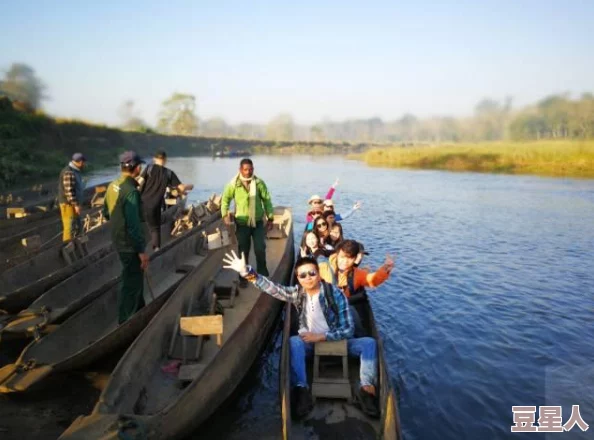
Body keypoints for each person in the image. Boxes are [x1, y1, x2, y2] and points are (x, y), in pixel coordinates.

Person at [222, 252, 380, 418]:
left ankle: (367, 390)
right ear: (298, 278)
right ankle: (301, 390)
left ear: (319, 275)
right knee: (294, 342)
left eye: (312, 273)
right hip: (309, 344)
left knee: (369, 343)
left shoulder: (335, 294)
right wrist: (247, 272)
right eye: (303, 275)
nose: (308, 278)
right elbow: (273, 288)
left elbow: (348, 329)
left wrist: (321, 337)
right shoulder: (298, 294)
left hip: (337, 341)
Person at [102, 151, 149, 324]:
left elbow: (106, 212)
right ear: (136, 168)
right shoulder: (131, 192)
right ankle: (125, 321)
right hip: (130, 245)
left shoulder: (113, 185)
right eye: (140, 166)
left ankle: (141, 312)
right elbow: (134, 225)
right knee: (132, 283)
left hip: (118, 239)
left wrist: (117, 224)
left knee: (134, 279)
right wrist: (141, 251)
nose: (141, 168)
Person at [221, 158, 274, 283]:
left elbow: (267, 200)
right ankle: (244, 277)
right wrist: (224, 215)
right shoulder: (233, 184)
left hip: (258, 222)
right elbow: (225, 200)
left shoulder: (259, 183)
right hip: (242, 223)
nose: (248, 172)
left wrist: (270, 217)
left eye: (250, 169)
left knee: (260, 248)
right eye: (245, 170)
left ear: (253, 169)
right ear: (240, 170)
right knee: (243, 250)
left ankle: (262, 274)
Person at [137, 150, 194, 251]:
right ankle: (156, 250)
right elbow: (181, 188)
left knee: (138, 227)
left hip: (141, 204)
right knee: (155, 230)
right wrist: (190, 186)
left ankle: (137, 251)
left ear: (155, 159)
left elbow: (139, 183)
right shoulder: (169, 173)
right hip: (154, 207)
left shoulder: (149, 168)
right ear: (165, 160)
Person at [57, 152, 87, 241]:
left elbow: (76, 187)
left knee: (78, 225)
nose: (84, 164)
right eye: (83, 162)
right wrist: (76, 205)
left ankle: (77, 243)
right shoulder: (69, 172)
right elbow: (69, 192)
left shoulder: (75, 171)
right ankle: (67, 245)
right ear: (79, 162)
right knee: (69, 227)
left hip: (73, 203)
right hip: (68, 204)